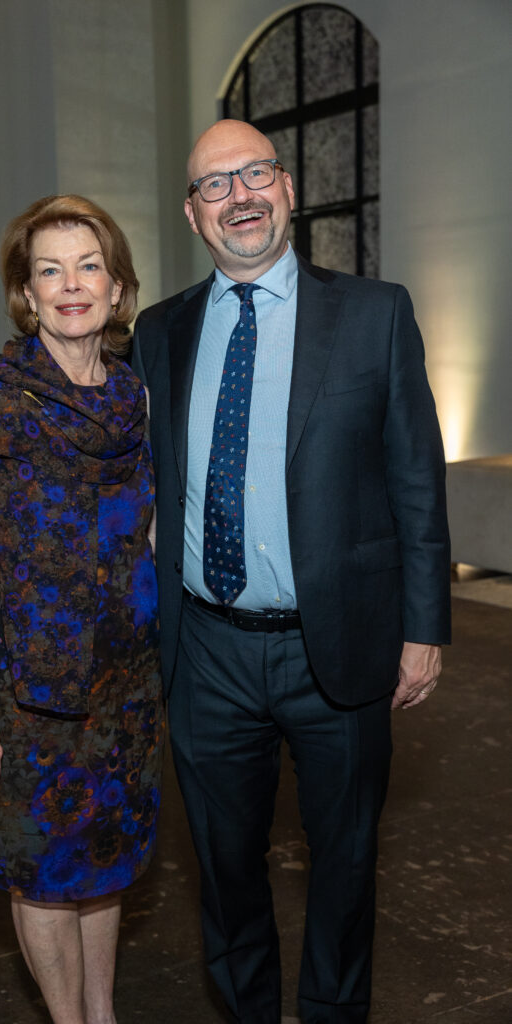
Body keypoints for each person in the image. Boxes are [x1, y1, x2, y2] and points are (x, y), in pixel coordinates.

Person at [132, 119, 451, 1024]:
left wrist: (424, 626)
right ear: (193, 215)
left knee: (344, 865)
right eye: (214, 183)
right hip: (206, 654)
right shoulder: (159, 331)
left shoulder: (374, 313)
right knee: (224, 867)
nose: (238, 195)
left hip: (339, 645)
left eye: (255, 173)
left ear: (287, 189)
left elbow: (415, 478)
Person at [0, 194, 163, 1024]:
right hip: (30, 697)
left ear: (117, 287)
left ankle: (101, 1013)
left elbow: (145, 537)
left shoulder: (131, 397)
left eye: (88, 266)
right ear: (26, 294)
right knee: (43, 872)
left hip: (125, 689)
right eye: (49, 271)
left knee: (104, 863)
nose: (71, 286)